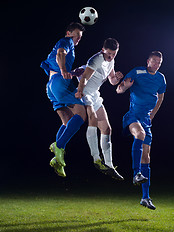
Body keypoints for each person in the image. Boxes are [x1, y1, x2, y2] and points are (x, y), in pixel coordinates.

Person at [116, 51, 166, 210]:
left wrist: (152, 116)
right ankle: (136, 173)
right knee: (140, 134)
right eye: (154, 61)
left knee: (147, 156)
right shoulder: (137, 71)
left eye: (159, 62)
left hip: (146, 119)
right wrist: (125, 86)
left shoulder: (161, 78)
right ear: (148, 61)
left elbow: (161, 98)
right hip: (133, 115)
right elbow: (119, 89)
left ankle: (145, 198)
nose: (156, 64)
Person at [40, 22, 87, 178]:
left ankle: (57, 160)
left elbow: (57, 62)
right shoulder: (65, 41)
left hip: (51, 86)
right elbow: (60, 54)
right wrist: (65, 70)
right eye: (76, 36)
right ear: (68, 33)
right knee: (81, 115)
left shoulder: (69, 45)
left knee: (66, 122)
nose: (78, 39)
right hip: (60, 83)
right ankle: (58, 146)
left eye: (80, 37)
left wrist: (73, 72)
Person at [75, 38, 124, 180]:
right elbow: (84, 77)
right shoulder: (95, 59)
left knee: (107, 128)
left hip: (95, 94)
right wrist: (79, 91)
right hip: (85, 91)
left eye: (113, 54)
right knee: (93, 119)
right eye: (108, 54)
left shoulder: (111, 61)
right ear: (103, 50)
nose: (110, 57)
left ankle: (109, 165)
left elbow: (112, 80)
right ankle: (96, 159)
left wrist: (117, 78)